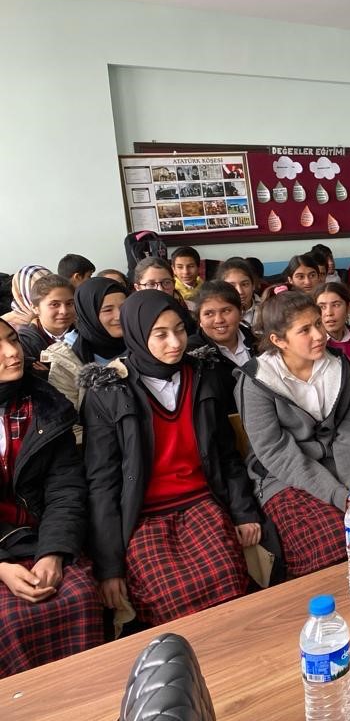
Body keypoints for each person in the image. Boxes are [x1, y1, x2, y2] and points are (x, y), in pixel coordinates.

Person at [80, 291, 260, 626]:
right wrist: (109, 566)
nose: (175, 342)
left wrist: (244, 511)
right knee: (167, 594)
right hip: (144, 514)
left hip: (202, 501)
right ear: (136, 333)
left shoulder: (203, 375)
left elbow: (226, 453)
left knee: (226, 576)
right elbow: (101, 482)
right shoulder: (108, 391)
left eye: (179, 329)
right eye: (160, 335)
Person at [235, 291, 350, 578]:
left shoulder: (340, 367)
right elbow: (275, 452)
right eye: (304, 330)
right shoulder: (257, 381)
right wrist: (336, 494)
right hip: (282, 477)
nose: (319, 335)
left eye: (318, 324)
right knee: (330, 542)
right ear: (279, 341)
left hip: (341, 465)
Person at [0, 318, 104, 677]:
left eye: (12, 340)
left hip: (42, 536)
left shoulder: (45, 406)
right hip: (2, 551)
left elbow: (65, 488)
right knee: (8, 622)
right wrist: (1, 568)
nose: (13, 353)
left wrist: (54, 553)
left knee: (78, 597)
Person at [40, 277, 127, 411]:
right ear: (88, 314)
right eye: (107, 310)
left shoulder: (143, 342)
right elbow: (71, 421)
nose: (119, 316)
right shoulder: (66, 359)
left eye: (124, 307)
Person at [186, 281, 258, 414]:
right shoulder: (192, 354)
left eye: (226, 310)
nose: (219, 320)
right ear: (199, 320)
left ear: (240, 312)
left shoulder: (259, 343)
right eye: (209, 313)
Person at [16, 275, 76, 363]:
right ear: (35, 308)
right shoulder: (24, 342)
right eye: (55, 304)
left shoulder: (86, 333)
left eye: (69, 303)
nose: (64, 311)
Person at [314, 282, 350, 362]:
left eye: (336, 305)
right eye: (322, 307)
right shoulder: (314, 343)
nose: (329, 313)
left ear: (349, 307)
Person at [216, 258, 261, 329]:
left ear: (253, 285)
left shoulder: (267, 309)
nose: (240, 291)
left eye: (245, 284)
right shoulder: (216, 316)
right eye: (232, 286)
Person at [171, 246, 203, 312]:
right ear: (173, 269)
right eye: (180, 267)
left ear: (199, 268)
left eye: (191, 266)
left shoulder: (206, 288)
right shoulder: (171, 291)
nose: (186, 272)